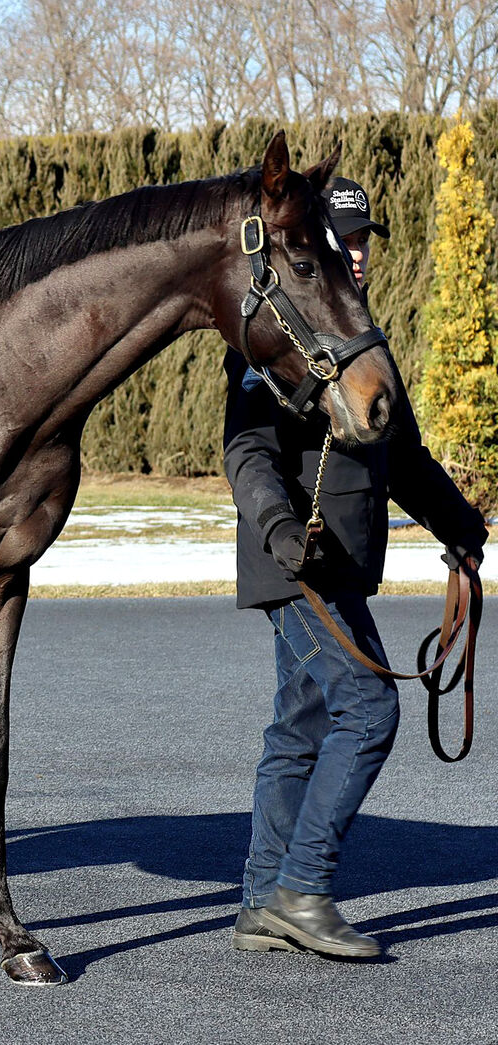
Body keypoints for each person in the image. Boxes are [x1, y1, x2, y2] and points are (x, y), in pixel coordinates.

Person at [223, 177, 488, 957]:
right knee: (371, 709)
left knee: (299, 727)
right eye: (345, 238)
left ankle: (260, 902)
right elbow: (247, 451)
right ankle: (304, 888)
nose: (360, 251)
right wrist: (278, 530)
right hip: (298, 564)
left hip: (339, 566)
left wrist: (462, 525)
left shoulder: (359, 336)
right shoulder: (272, 333)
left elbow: (400, 454)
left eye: (366, 237)